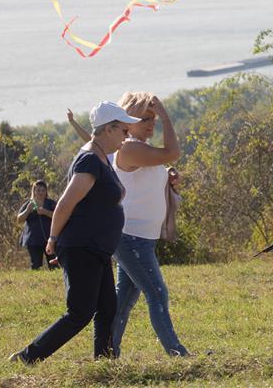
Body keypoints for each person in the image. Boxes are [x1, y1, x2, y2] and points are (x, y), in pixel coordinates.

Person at [9, 101, 138, 363]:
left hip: (95, 248)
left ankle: (104, 362)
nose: (127, 137)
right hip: (82, 246)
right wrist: (53, 239)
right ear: (109, 129)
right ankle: (27, 357)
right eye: (124, 131)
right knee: (80, 313)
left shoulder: (100, 156)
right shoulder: (90, 159)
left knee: (107, 308)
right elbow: (67, 202)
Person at [110, 92, 188, 357]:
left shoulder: (139, 147)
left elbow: (153, 170)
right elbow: (173, 152)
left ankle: (107, 352)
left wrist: (167, 176)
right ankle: (177, 352)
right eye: (145, 119)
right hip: (131, 237)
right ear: (127, 121)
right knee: (156, 293)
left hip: (140, 237)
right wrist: (166, 115)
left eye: (153, 118)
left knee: (124, 301)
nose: (151, 123)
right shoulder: (130, 147)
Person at [16, 180, 58, 270]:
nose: (41, 192)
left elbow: (59, 216)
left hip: (49, 238)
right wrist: (27, 211)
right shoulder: (29, 204)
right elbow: (19, 220)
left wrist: (46, 212)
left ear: (46, 191)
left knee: (54, 265)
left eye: (43, 190)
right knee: (36, 265)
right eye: (38, 190)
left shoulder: (51, 203)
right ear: (34, 191)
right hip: (33, 240)